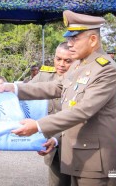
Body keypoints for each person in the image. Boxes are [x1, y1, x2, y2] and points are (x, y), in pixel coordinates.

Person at [0, 10, 116, 186]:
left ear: (93, 40)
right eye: (69, 38)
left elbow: (83, 110)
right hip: (77, 156)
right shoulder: (80, 64)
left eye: (75, 38)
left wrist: (39, 126)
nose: (69, 44)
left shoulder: (106, 69)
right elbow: (56, 86)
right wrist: (15, 88)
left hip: (96, 162)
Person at [30, 42, 73, 186]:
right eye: (58, 59)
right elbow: (24, 92)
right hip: (54, 150)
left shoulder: (83, 79)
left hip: (77, 146)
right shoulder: (45, 76)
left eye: (67, 61)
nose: (61, 64)